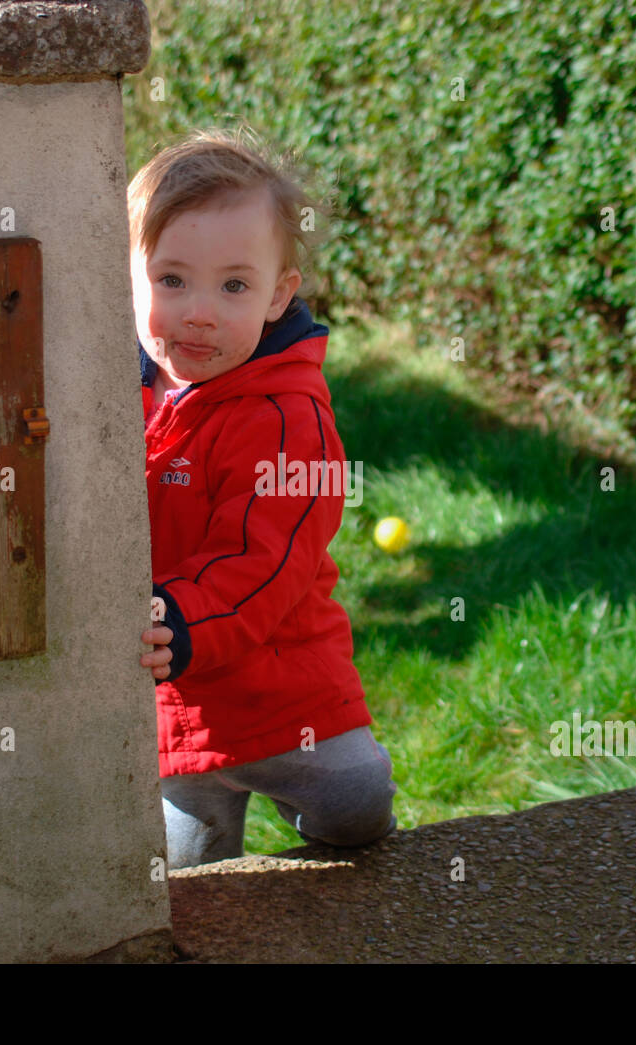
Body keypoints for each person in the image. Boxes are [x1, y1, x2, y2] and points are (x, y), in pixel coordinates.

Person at [130, 127, 398, 868]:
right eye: (171, 280)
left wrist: (183, 618)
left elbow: (267, 565)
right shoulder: (129, 393)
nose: (200, 312)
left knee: (355, 810)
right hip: (184, 711)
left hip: (291, 696)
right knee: (192, 877)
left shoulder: (287, 418)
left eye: (235, 286)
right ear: (127, 276)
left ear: (280, 294)